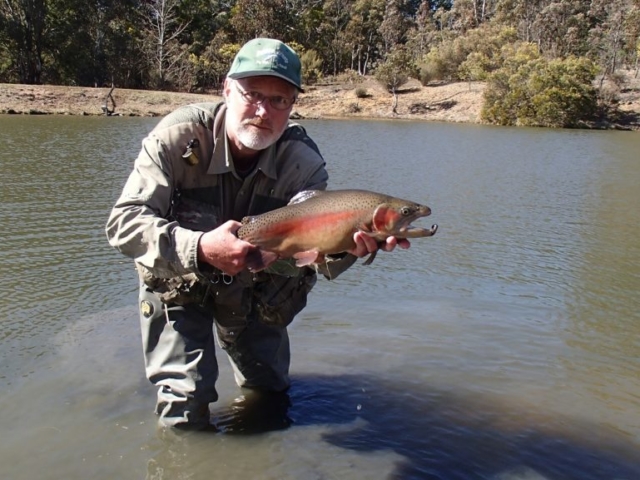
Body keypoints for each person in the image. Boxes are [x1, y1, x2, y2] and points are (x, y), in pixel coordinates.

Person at [105, 38, 409, 430]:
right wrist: (200, 247)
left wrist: (344, 249)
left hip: (256, 285)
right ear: (226, 89)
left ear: (293, 105)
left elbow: (313, 252)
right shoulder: (176, 138)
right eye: (252, 94)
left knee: (269, 397)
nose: (264, 111)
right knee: (184, 406)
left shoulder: (303, 163)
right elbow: (124, 223)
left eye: (280, 100)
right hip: (180, 281)